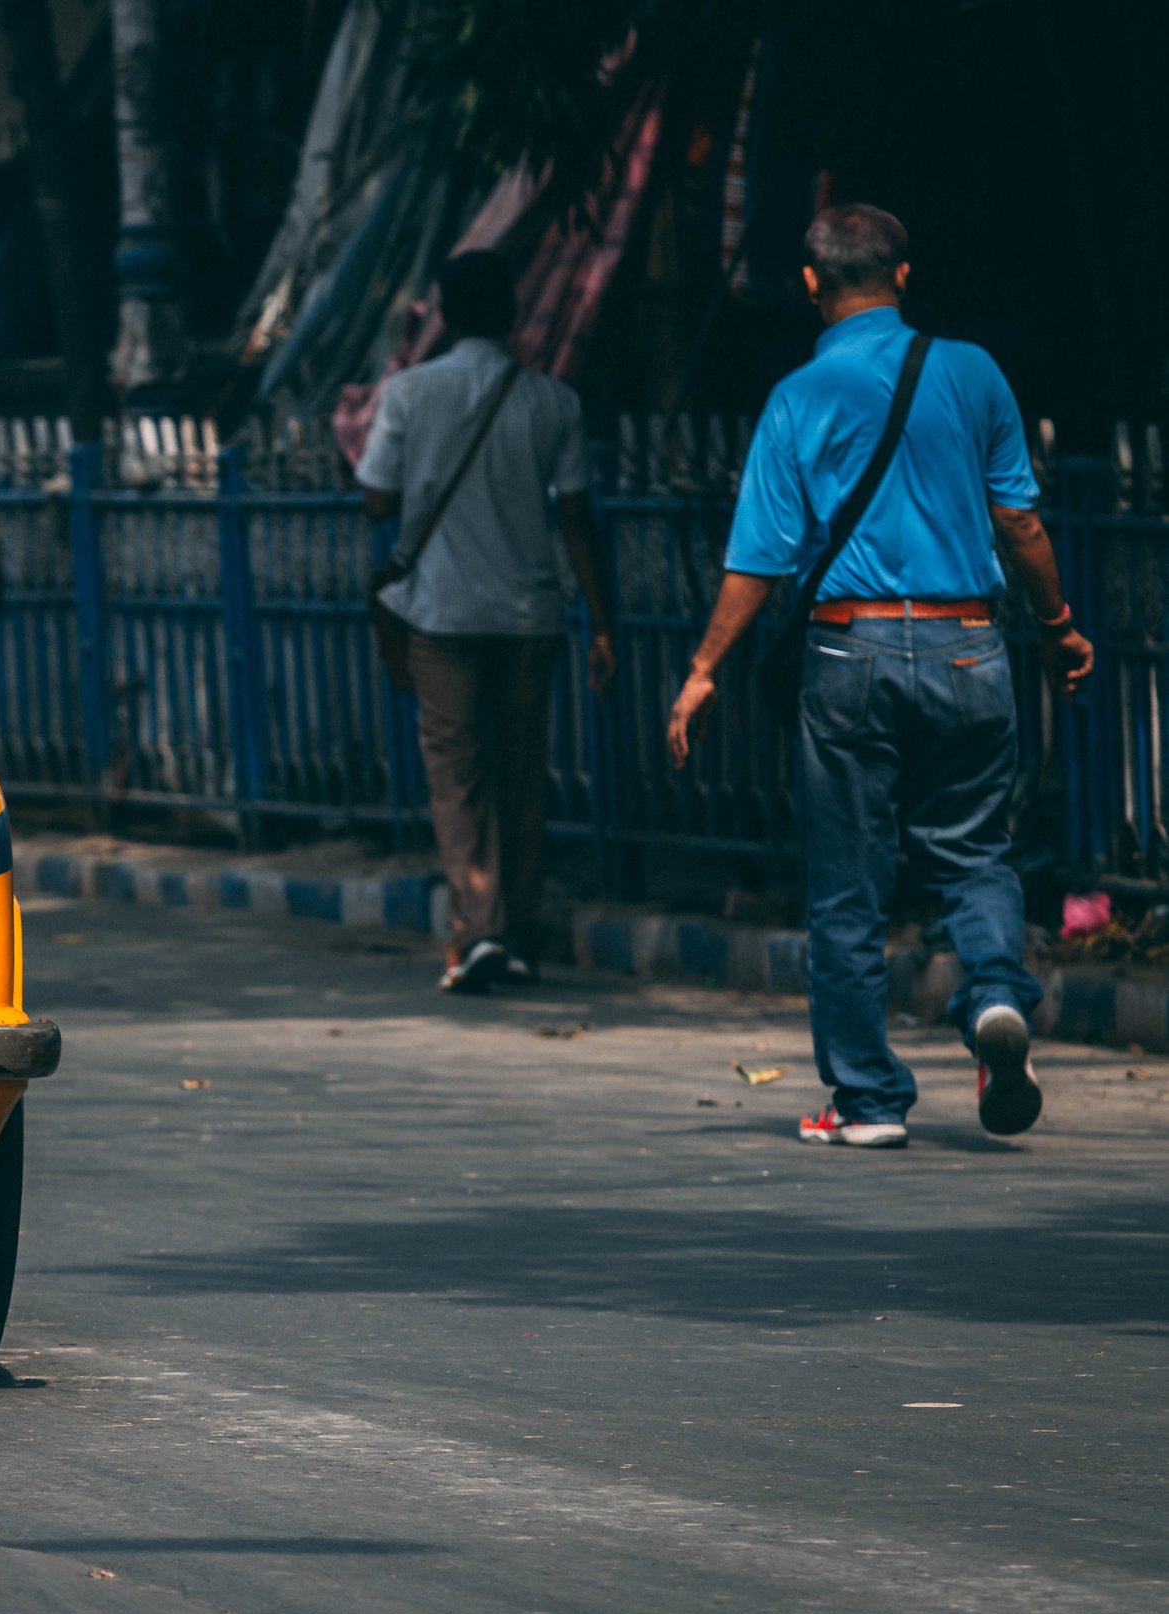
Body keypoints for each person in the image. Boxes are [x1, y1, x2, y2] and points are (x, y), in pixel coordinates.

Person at [667, 204, 1095, 1148]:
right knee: (975, 852)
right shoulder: (974, 372)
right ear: (903, 276)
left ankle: (866, 1100)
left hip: (848, 653)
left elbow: (760, 562)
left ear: (810, 284)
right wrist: (1060, 627)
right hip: (970, 644)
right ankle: (990, 998)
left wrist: (702, 672)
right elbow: (1019, 523)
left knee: (847, 884)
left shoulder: (796, 398)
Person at [359, 249, 618, 995]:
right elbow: (576, 518)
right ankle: (521, 931)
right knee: (519, 774)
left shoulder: (407, 394)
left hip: (440, 615)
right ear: (511, 312)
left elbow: (376, 500)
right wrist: (603, 626)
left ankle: (477, 933)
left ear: (444, 312)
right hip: (529, 614)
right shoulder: (553, 401)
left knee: (457, 775)